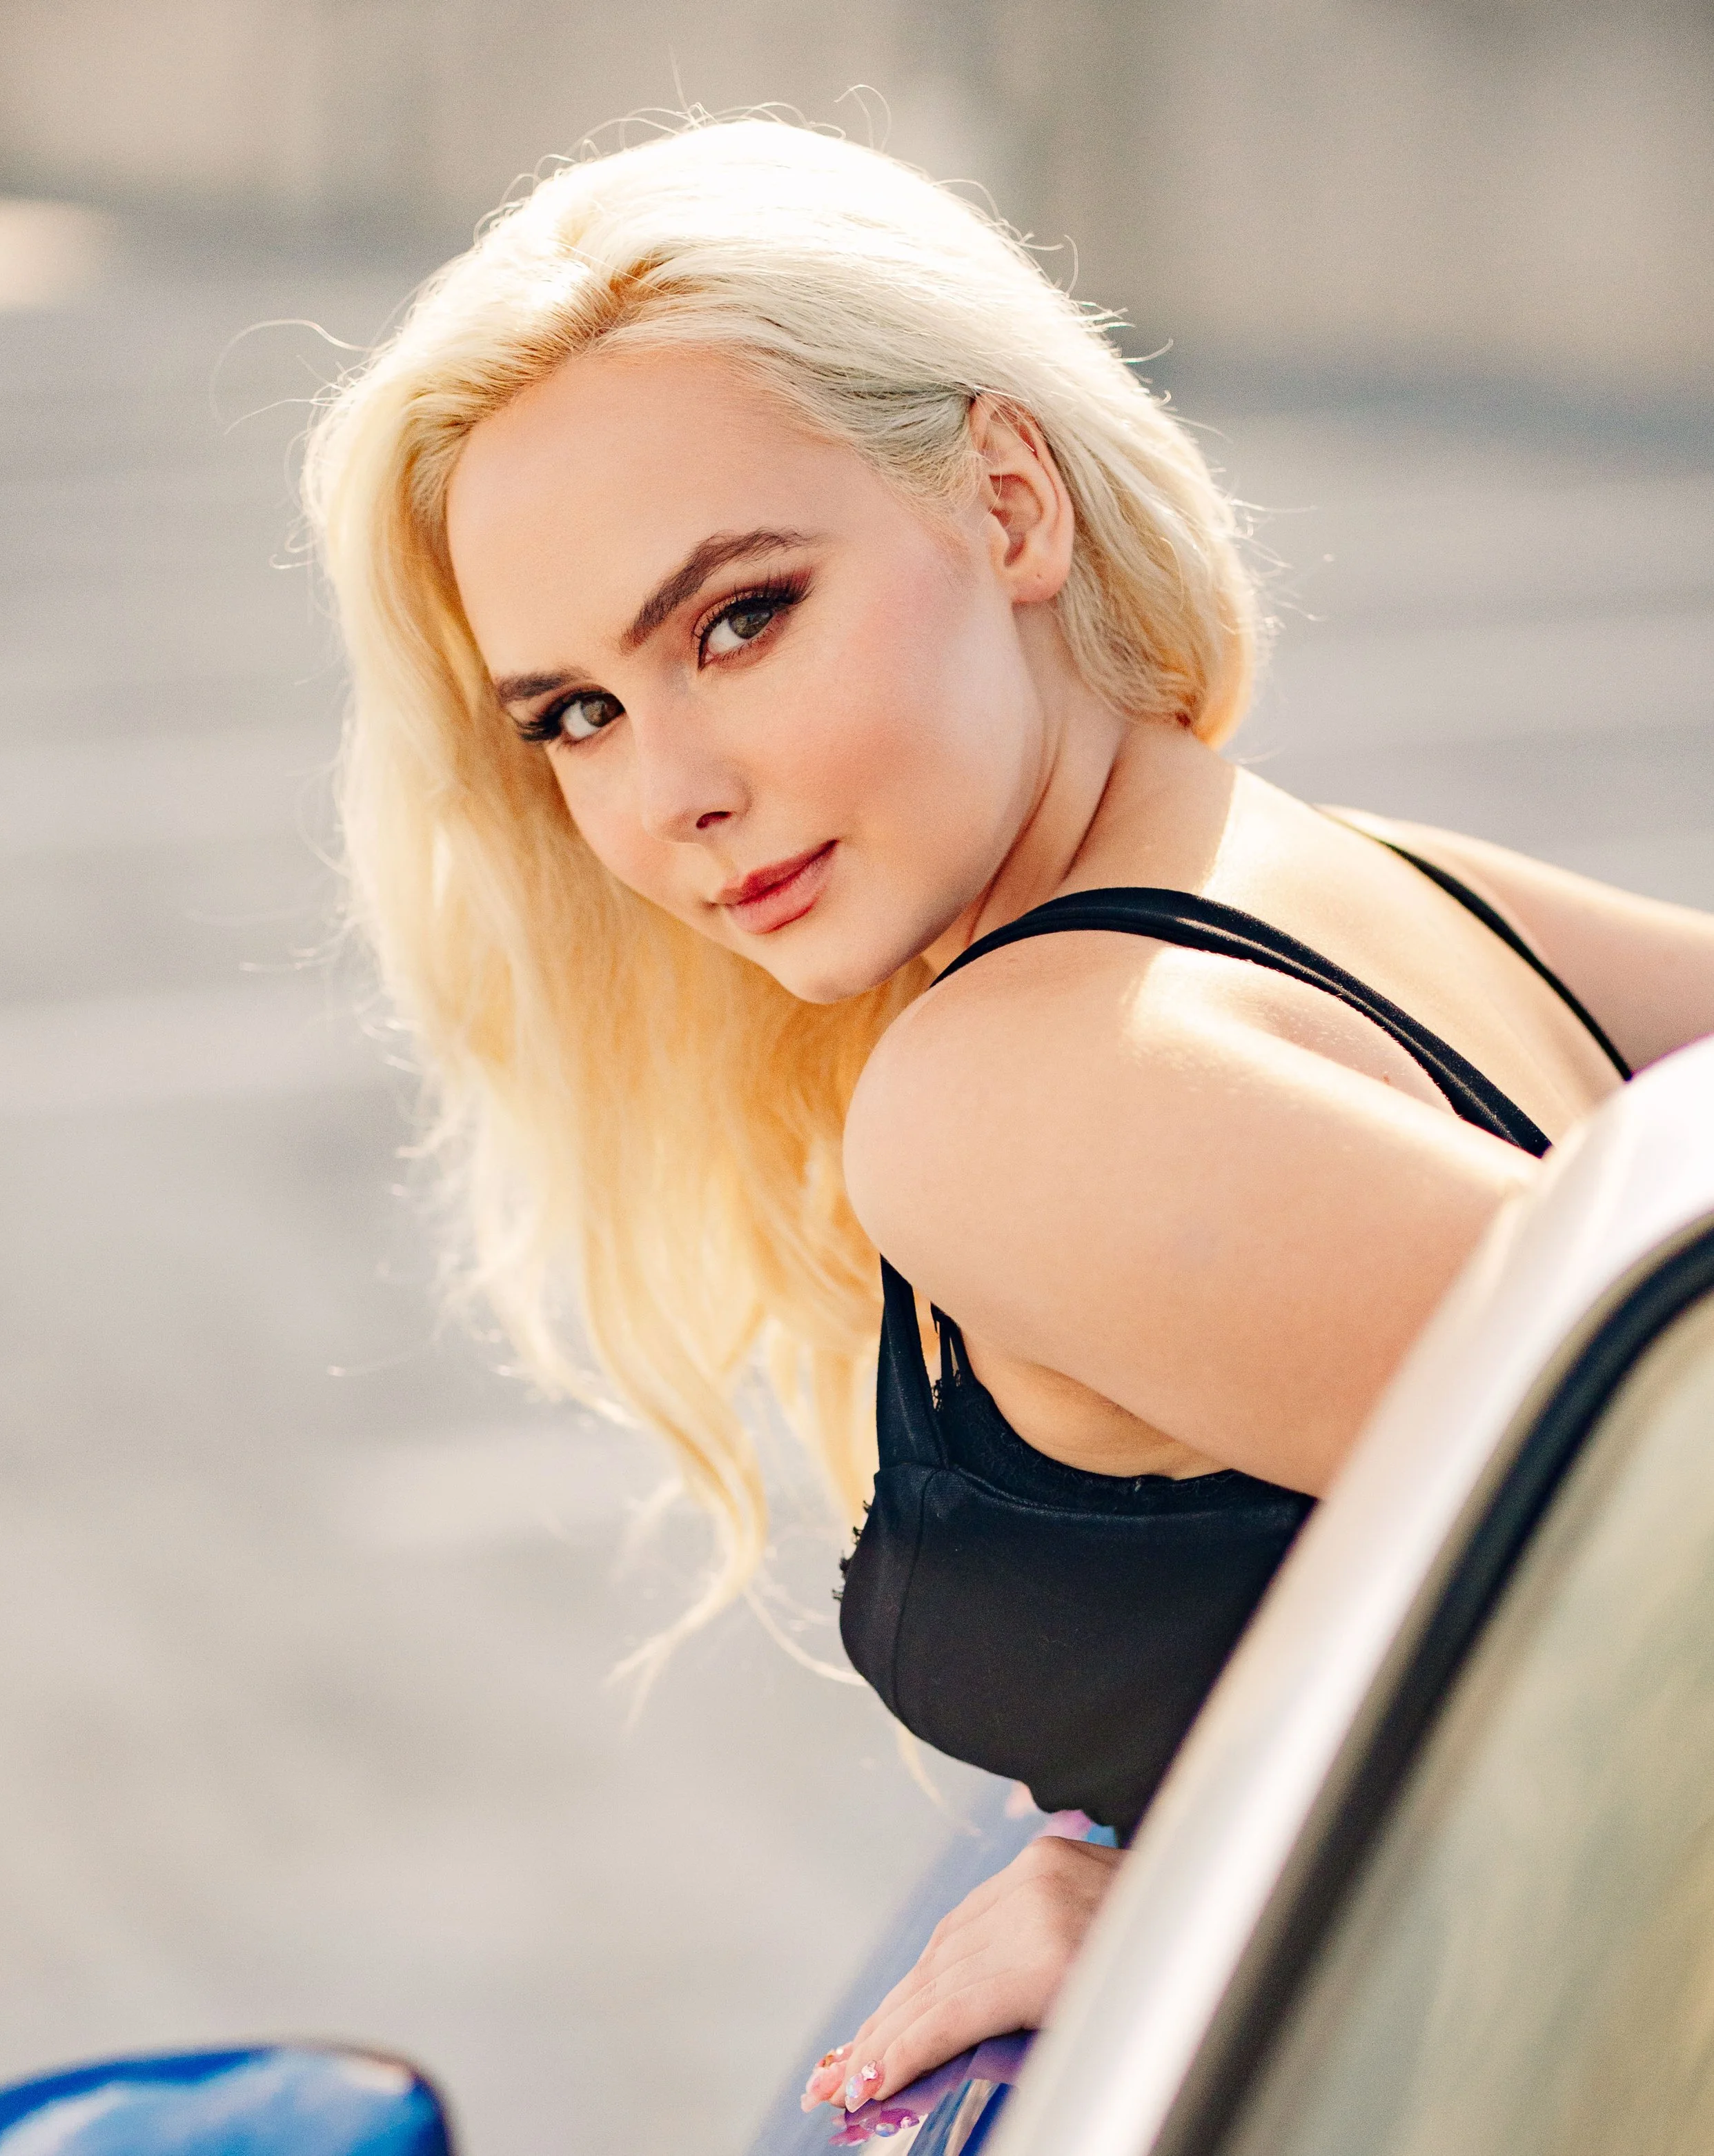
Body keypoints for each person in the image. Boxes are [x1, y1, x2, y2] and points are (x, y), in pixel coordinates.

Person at [304, 116, 1714, 2127]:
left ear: (1004, 496)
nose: (667, 791)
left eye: (737, 616)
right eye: (573, 716)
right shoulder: (1336, 865)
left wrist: (1222, 1890)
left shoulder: (1008, 1096)